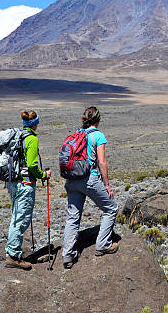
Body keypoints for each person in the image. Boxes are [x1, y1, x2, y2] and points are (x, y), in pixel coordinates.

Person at [62, 106, 118, 269]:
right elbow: (102, 162)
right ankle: (103, 244)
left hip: (72, 180)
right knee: (111, 208)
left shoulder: (77, 134)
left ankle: (67, 255)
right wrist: (107, 184)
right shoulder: (97, 135)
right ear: (98, 120)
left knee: (73, 216)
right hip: (89, 179)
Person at [5, 110, 52, 270]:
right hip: (25, 184)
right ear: (35, 124)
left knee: (16, 217)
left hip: (12, 183)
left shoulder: (17, 136)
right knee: (21, 220)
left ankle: (12, 252)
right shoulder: (31, 139)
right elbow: (32, 165)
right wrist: (43, 175)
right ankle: (13, 257)